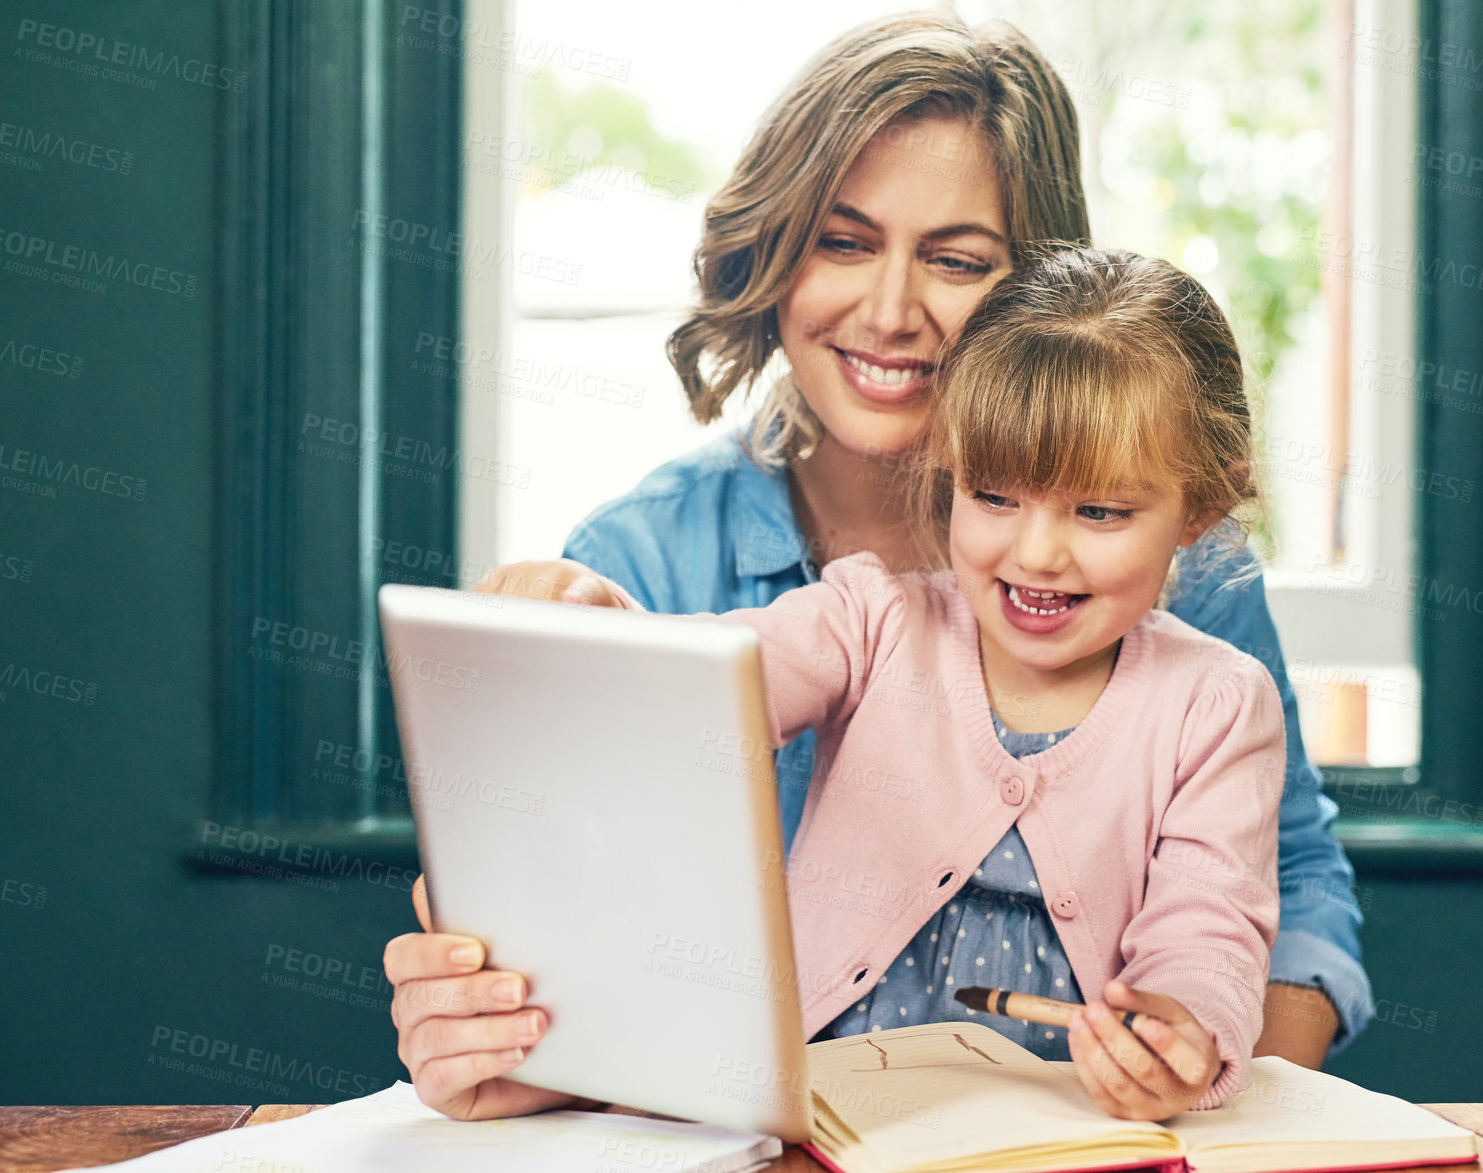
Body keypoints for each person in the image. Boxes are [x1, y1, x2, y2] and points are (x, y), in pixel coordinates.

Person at [384, 11, 1367, 1122]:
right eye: (843, 242)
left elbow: (1272, 894)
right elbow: (575, 910)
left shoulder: (1191, 582)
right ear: (774, 255)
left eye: (956, 261)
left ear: (1044, 301)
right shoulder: (651, 553)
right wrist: (503, 1014)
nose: (892, 312)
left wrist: (1199, 1075)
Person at [529, 247, 1284, 1118]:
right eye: (995, 496)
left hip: (1062, 1136)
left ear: (1203, 507)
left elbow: (1211, 926)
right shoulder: (872, 617)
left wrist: (1181, 1029)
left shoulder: (1219, 703)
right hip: (822, 1121)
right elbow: (708, 679)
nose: (1036, 553)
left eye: (1100, 511)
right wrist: (598, 616)